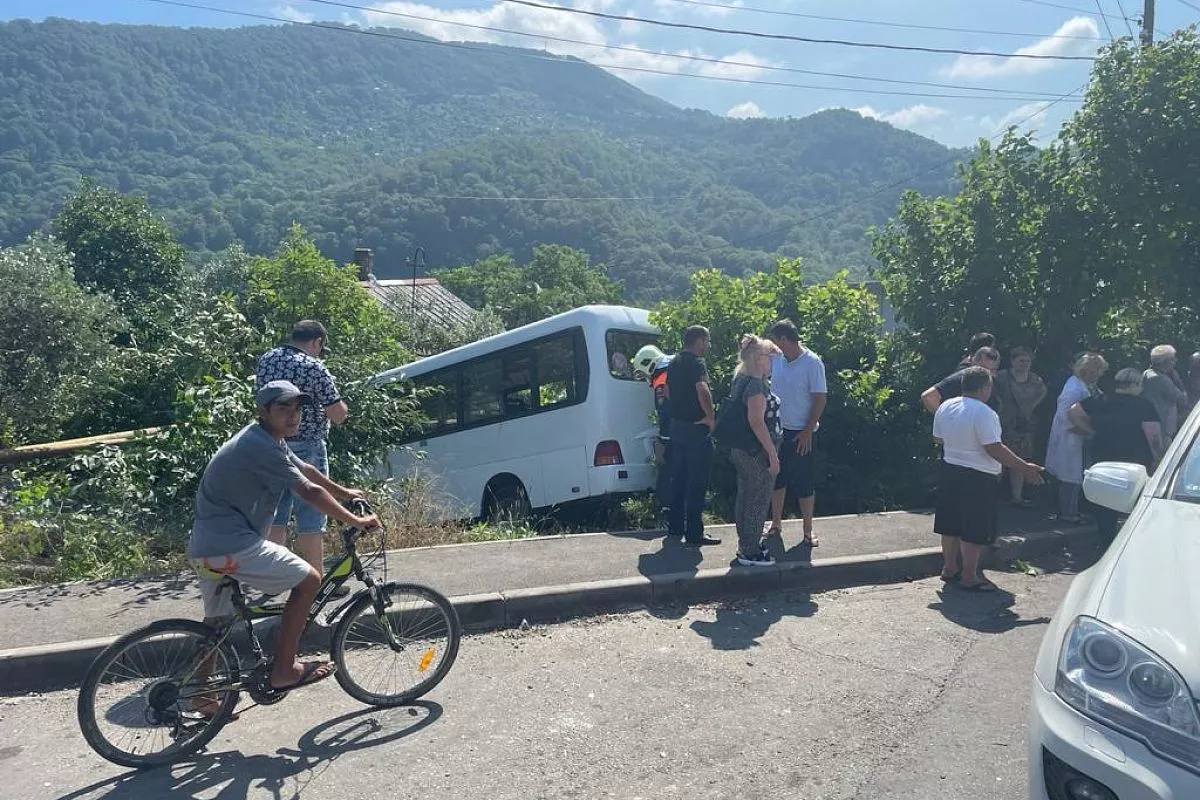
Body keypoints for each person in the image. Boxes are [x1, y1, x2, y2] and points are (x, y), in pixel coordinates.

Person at [187, 380, 379, 710]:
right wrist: (356, 521)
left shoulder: (266, 438)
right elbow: (308, 492)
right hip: (231, 545)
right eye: (283, 408)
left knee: (218, 622)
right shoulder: (259, 445)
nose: (293, 415)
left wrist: (346, 493)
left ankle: (201, 695)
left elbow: (307, 470)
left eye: (298, 408)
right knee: (310, 580)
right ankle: (285, 669)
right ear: (263, 411)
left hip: (207, 547)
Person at [933, 367, 1045, 591]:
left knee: (950, 524)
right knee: (974, 527)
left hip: (950, 469)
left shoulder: (946, 406)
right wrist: (1024, 467)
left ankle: (949, 567)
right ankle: (969, 576)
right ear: (985, 387)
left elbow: (938, 438)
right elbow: (994, 448)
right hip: (978, 476)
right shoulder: (985, 413)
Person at [257, 320, 350, 591]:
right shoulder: (313, 367)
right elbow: (337, 414)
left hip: (272, 443)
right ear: (317, 341)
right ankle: (316, 581)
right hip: (307, 446)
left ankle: (274, 580)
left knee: (276, 516)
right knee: (311, 515)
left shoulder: (267, 360)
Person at [1067, 367, 1164, 547]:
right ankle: (1132, 542)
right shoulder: (1143, 405)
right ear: (1134, 384)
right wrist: (1159, 457)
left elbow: (1074, 411)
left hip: (1103, 458)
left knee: (1105, 500)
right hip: (1135, 459)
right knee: (1136, 500)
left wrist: (1090, 430)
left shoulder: (1100, 400)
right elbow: (1153, 435)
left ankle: (1106, 541)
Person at [764, 319, 827, 547]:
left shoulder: (812, 362)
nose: (773, 345)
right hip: (777, 431)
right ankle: (776, 524)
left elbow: (820, 398)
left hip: (802, 433)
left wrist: (808, 430)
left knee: (804, 481)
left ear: (783, 339)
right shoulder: (777, 359)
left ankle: (808, 530)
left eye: (775, 340)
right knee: (777, 479)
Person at [727, 335, 783, 567]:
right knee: (758, 498)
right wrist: (772, 454)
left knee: (746, 495)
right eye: (770, 357)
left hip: (742, 449)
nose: (773, 362)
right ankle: (750, 550)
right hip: (757, 451)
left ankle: (746, 543)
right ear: (760, 359)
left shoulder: (740, 379)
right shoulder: (756, 385)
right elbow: (757, 422)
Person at [666, 325, 720, 547]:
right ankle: (694, 532)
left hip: (677, 427)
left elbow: (667, 391)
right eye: (707, 341)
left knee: (678, 479)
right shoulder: (697, 363)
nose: (709, 345)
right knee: (697, 482)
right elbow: (702, 390)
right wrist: (710, 417)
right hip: (695, 429)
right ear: (699, 341)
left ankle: (675, 526)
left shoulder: (674, 362)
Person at [1045, 352, 1108, 524]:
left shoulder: (1083, 385)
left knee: (1075, 475)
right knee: (1070, 478)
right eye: (1098, 371)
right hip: (1071, 435)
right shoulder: (1074, 389)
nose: (1099, 375)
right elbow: (1065, 415)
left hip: (1078, 435)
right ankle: (1068, 513)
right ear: (1088, 371)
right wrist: (1086, 431)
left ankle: (1073, 510)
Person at [994, 347, 1047, 507]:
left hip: (1023, 426)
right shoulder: (1001, 377)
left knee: (1020, 461)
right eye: (1021, 360)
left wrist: (1030, 408)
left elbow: (1042, 392)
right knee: (998, 460)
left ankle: (1017, 497)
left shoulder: (1035, 380)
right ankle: (992, 495)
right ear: (1012, 361)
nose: (1024, 364)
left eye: (1028, 361)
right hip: (1003, 424)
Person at [632, 344, 674, 519]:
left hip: (672, 436)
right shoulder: (671, 371)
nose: (646, 378)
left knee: (667, 471)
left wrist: (663, 440)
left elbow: (665, 413)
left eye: (644, 374)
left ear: (649, 364)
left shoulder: (661, 381)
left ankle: (668, 510)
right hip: (684, 431)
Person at [920, 347, 1001, 413]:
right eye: (984, 368)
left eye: (993, 370)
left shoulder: (993, 382)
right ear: (973, 362)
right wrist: (946, 419)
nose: (988, 373)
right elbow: (929, 396)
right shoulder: (961, 378)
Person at [1141, 344, 1188, 441]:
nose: (1176, 361)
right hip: (1163, 431)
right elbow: (1182, 400)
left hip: (1155, 426)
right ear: (1165, 361)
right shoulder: (1159, 378)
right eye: (1173, 358)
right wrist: (1177, 380)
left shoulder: (1147, 373)